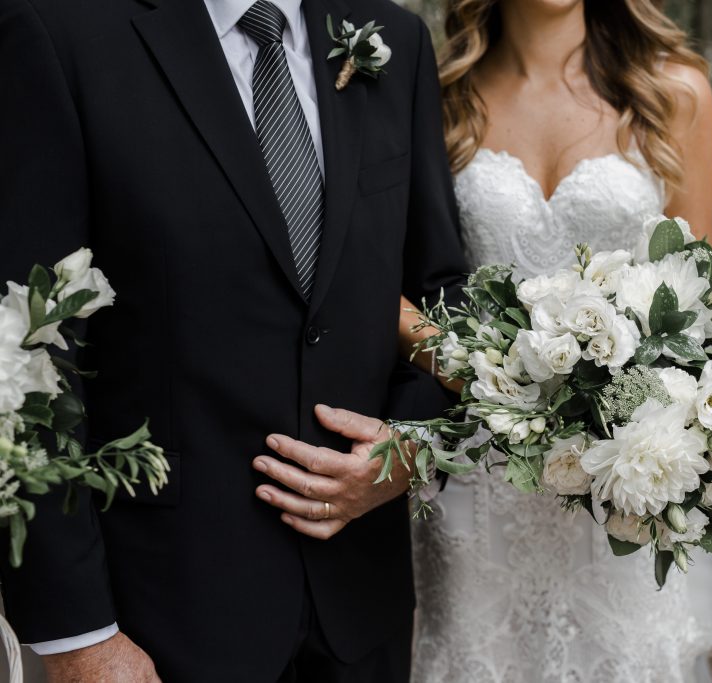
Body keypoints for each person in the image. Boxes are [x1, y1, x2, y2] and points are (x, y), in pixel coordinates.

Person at [0, 0, 465, 680]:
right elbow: (25, 348)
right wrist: (79, 635)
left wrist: (412, 448)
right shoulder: (58, 31)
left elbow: (437, 291)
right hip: (160, 615)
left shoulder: (393, 40)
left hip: (360, 610)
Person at [405, 1, 712, 681]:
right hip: (479, 475)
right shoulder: (439, 93)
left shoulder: (672, 91)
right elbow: (395, 280)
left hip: (625, 480)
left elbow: (701, 290)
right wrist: (475, 369)